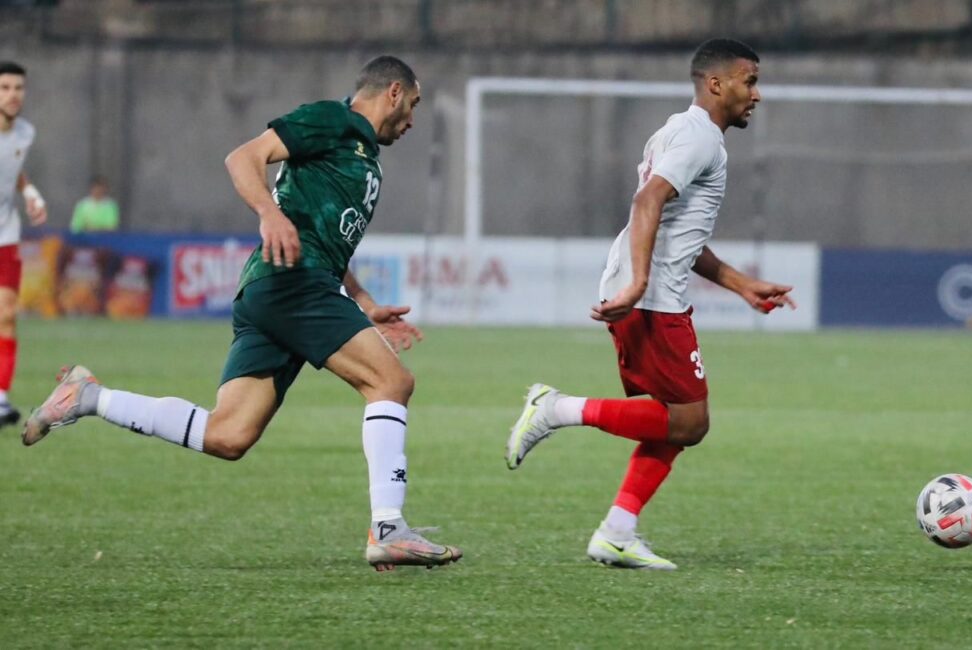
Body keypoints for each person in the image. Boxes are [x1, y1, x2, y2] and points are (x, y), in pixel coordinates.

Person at [23, 55, 462, 571]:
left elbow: (322, 232)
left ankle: (89, 398)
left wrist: (363, 300)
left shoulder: (364, 154)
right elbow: (243, 157)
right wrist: (268, 215)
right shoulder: (334, 120)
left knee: (228, 435)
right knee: (392, 382)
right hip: (291, 283)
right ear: (392, 92)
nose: (412, 120)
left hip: (275, 288)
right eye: (412, 105)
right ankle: (388, 526)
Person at [505, 39, 795, 570]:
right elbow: (647, 202)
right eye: (748, 80)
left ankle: (617, 532)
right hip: (652, 298)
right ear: (716, 84)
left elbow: (679, 230)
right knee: (690, 422)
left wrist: (739, 283)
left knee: (670, 422)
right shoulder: (699, 138)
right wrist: (639, 283)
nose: (757, 93)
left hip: (653, 292)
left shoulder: (684, 132)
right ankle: (556, 408)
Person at [0, 61, 47, 428]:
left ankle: (0, 398)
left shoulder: (25, 133)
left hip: (6, 233)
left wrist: (30, 193)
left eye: (18, 88)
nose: (13, 95)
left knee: (7, 314)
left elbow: (14, 172)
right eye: (4, 88)